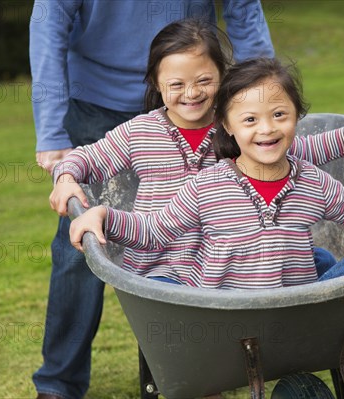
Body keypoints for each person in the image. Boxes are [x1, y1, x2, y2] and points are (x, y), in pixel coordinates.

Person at [29, 2, 275, 398]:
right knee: (81, 241)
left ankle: (194, 369)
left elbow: (244, 10)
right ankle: (59, 383)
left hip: (199, 90)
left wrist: (261, 100)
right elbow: (49, 21)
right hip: (97, 100)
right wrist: (52, 131)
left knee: (215, 227)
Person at [50, 19, 344, 286]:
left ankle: (307, 321)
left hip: (230, 257)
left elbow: (295, 149)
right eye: (176, 85)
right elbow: (86, 158)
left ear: (222, 75)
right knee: (171, 304)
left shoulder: (233, 127)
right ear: (157, 84)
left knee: (311, 255)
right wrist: (66, 177)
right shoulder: (140, 132)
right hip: (163, 262)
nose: (191, 93)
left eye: (204, 80)